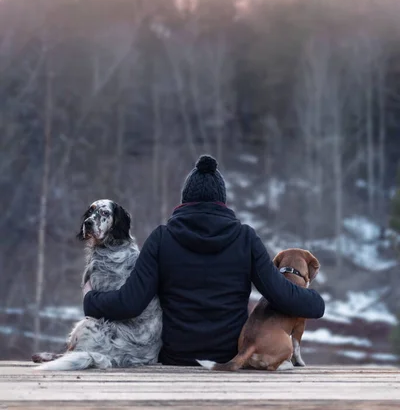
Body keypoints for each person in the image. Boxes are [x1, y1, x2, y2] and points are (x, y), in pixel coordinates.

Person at [83, 155, 325, 366]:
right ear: (222, 202)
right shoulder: (245, 238)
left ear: (184, 201)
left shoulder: (162, 238)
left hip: (174, 361)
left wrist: (90, 299)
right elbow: (281, 294)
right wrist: (315, 300)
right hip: (229, 359)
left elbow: (130, 303)